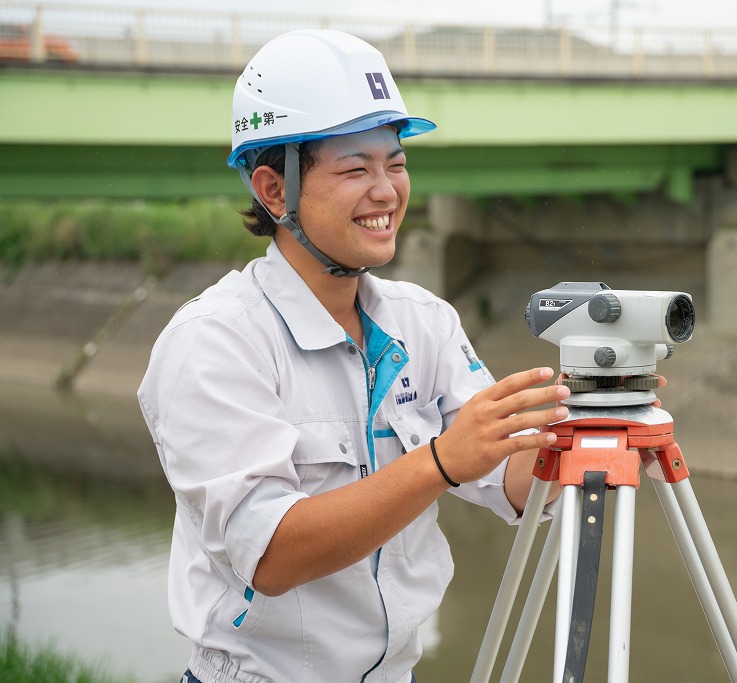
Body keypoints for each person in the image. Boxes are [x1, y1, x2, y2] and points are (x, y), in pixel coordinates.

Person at [138, 29, 565, 683]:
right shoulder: (214, 341)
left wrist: (575, 431)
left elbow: (504, 478)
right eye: (354, 167)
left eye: (395, 162)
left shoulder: (424, 322)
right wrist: (440, 461)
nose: (388, 190)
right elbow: (272, 553)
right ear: (274, 189)